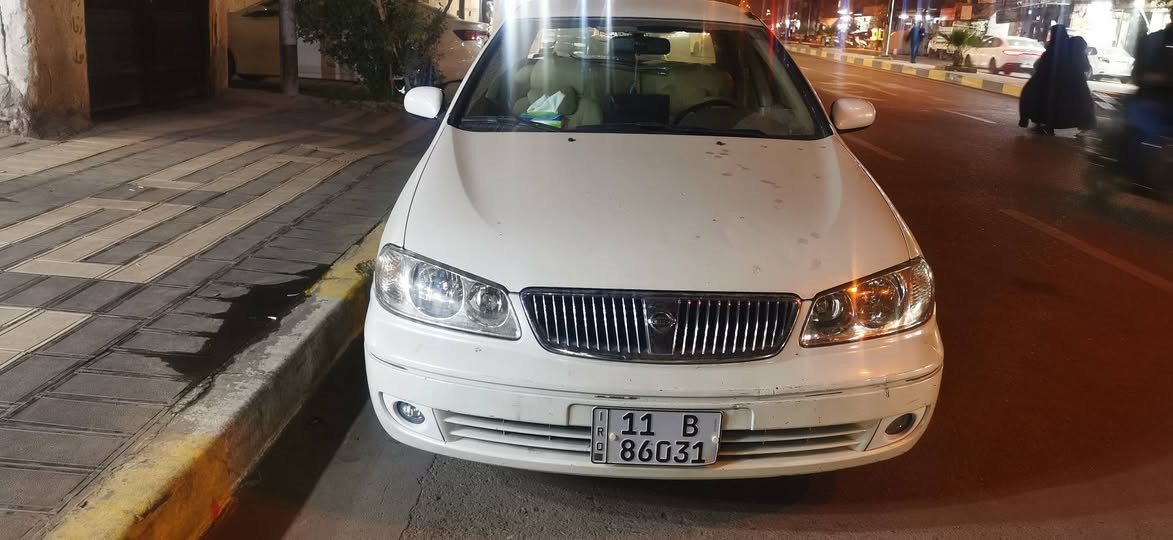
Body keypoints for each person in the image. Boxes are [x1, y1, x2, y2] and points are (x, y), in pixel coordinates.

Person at [1018, 25, 1093, 135]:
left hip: (1052, 82)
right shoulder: (1070, 48)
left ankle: (1040, 123)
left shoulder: (1053, 49)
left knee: (1032, 96)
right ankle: (1049, 125)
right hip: (1070, 84)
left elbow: (1042, 66)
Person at [1123, 22, 1173, 174]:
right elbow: (1139, 75)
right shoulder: (1154, 41)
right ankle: (1128, 173)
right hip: (1151, 102)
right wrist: (1162, 78)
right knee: (1139, 136)